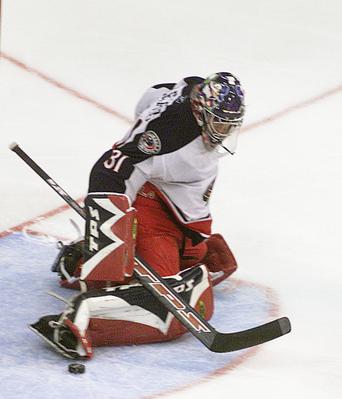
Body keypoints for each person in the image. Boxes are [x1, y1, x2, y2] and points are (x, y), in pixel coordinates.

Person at [29, 72, 245, 360]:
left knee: (200, 257)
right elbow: (108, 171)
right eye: (219, 121)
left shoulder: (191, 89)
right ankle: (82, 315)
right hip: (151, 210)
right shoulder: (171, 137)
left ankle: (80, 258)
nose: (223, 131)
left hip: (176, 211)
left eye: (230, 124)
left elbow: (153, 94)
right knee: (170, 300)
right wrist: (111, 242)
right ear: (200, 110)